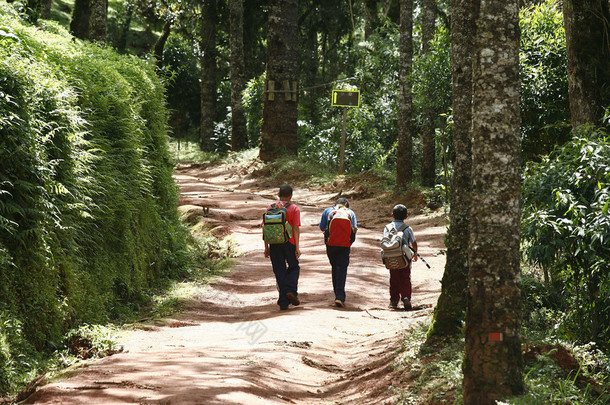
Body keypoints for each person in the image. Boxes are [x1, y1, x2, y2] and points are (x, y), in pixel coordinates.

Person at [263, 184, 302, 310]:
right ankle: (290, 290)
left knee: (279, 271)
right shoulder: (294, 208)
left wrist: (266, 247)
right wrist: (297, 247)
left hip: (274, 243)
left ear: (278, 195)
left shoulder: (271, 207)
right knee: (294, 267)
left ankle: (283, 302)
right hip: (289, 243)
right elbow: (295, 228)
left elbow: (265, 228)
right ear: (291, 196)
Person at [319, 197, 357, 308]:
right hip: (345, 245)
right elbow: (354, 229)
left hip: (331, 244)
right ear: (346, 204)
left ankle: (338, 294)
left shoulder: (327, 211)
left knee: (334, 267)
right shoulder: (350, 212)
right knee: (342, 268)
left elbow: (322, 228)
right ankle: (339, 296)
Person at [383, 204, 418, 310]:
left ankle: (394, 301)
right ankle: (406, 298)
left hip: (391, 257)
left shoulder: (388, 228)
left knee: (393, 278)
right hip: (405, 258)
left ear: (392, 215)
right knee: (405, 278)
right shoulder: (408, 228)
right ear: (406, 217)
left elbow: (384, 241)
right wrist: (415, 254)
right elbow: (414, 242)